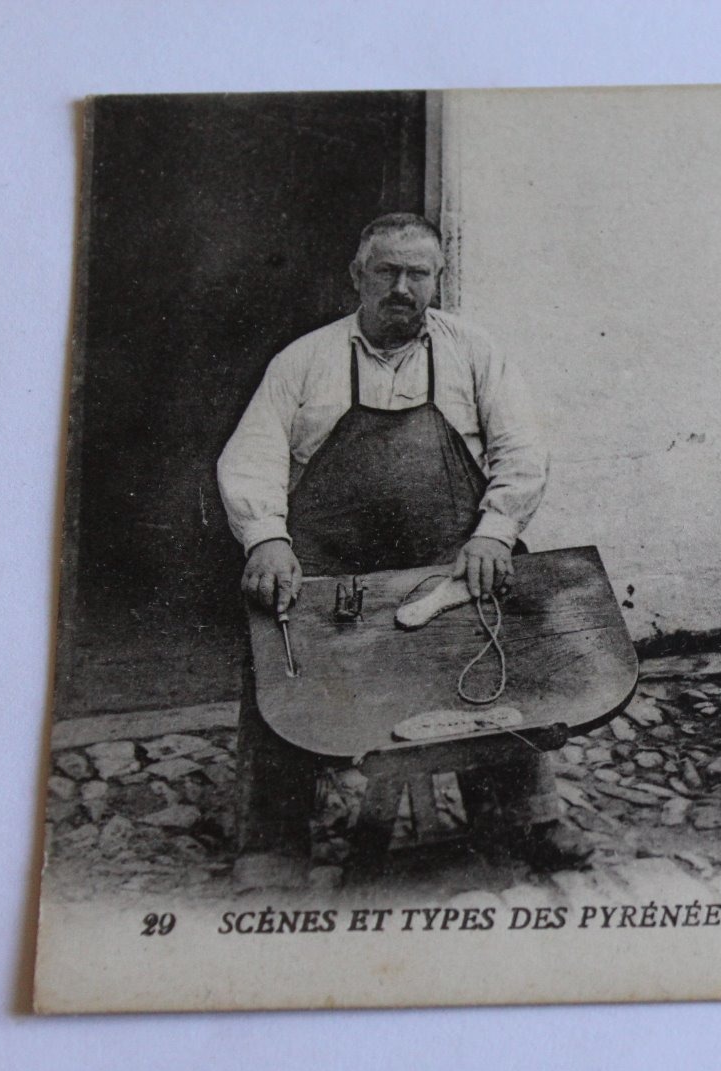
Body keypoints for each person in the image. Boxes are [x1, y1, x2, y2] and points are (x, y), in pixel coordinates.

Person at [216, 212, 588, 877]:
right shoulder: (304, 361)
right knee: (279, 658)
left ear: (438, 280)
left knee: (502, 650)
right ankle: (271, 845)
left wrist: (494, 532)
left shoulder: (475, 354)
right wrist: (266, 538)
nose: (402, 289)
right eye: (386, 272)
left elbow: (522, 453)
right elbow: (251, 458)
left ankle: (529, 817)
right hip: (334, 568)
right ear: (358, 276)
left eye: (419, 274)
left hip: (449, 562)